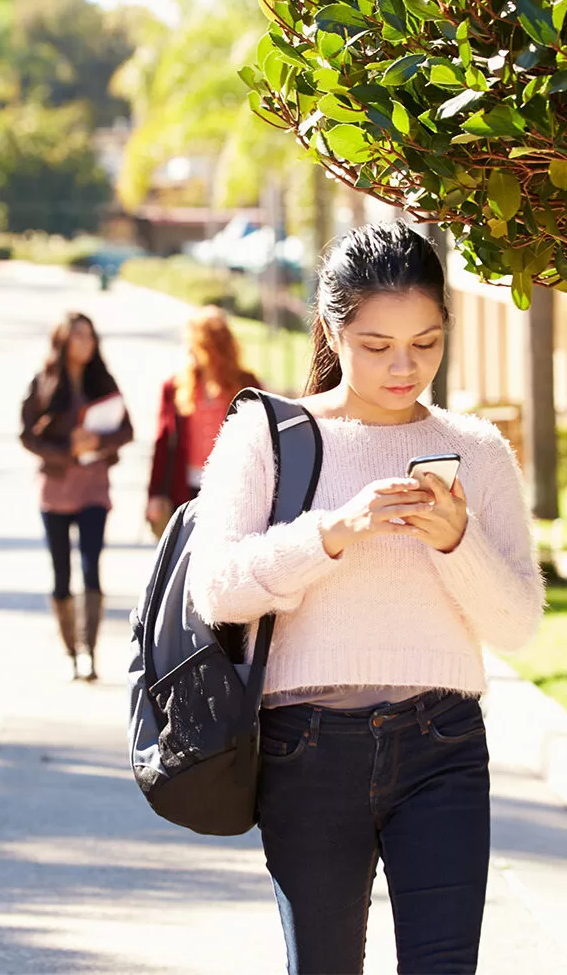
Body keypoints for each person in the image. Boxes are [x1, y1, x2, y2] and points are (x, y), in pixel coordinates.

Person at [188, 221, 544, 974]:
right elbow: (215, 589)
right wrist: (334, 533)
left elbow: (516, 626)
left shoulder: (477, 450)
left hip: (443, 741)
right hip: (305, 746)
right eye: (377, 345)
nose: (404, 366)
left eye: (426, 342)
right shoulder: (269, 435)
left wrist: (456, 541)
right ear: (330, 331)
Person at [20, 311, 133, 682]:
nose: (86, 343)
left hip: (94, 490)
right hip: (55, 491)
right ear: (64, 341)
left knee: (91, 568)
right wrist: (66, 448)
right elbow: (27, 435)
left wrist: (98, 441)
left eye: (91, 336)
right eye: (79, 336)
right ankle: (70, 650)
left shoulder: (103, 381)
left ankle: (89, 652)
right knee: (61, 575)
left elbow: (127, 429)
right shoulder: (45, 382)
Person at [145, 305, 261, 536]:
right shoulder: (175, 386)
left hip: (232, 487)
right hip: (184, 488)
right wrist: (155, 494)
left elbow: (263, 438)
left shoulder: (247, 384)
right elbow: (163, 441)